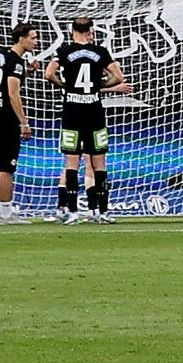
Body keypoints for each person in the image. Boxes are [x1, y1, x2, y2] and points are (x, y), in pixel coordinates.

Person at [50, 16, 115, 220]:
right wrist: (99, 86)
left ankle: (72, 212)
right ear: (89, 31)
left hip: (72, 111)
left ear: (72, 31)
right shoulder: (100, 52)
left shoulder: (64, 51)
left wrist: (64, 85)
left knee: (72, 162)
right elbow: (118, 76)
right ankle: (102, 212)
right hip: (94, 111)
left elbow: (49, 73)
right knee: (99, 163)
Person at [0, 24, 50, 222]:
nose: (36, 42)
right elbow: (13, 93)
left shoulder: (3, 54)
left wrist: (27, 71)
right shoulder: (16, 62)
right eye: (33, 38)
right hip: (6, 118)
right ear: (21, 39)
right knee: (7, 167)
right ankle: (7, 213)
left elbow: (6, 79)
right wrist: (24, 122)